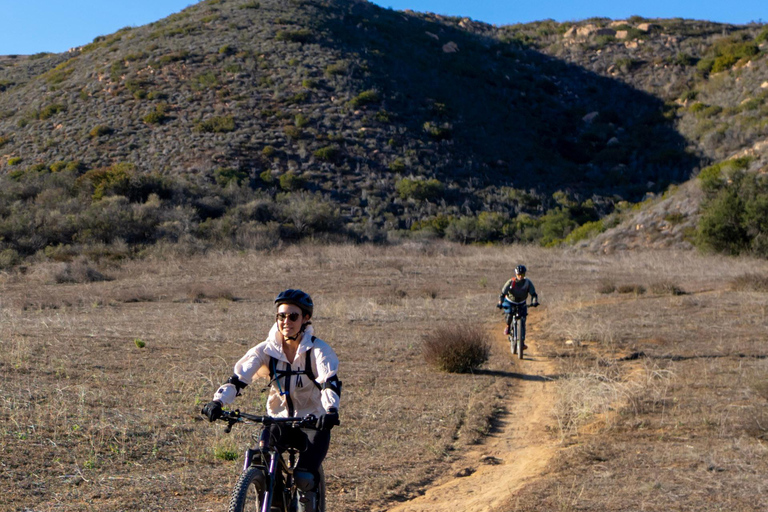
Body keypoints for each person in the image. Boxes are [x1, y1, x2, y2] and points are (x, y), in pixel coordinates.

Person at [202, 289, 341, 512]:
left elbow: (329, 382)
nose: (286, 321)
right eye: (281, 316)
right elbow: (239, 379)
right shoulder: (266, 350)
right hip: (279, 418)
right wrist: (218, 402)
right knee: (262, 460)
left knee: (305, 477)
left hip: (314, 421)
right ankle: (274, 505)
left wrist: (331, 410)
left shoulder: (318, 350)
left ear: (305, 319)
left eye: (293, 316)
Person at [497, 265, 539, 347]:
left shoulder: (527, 283)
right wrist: (500, 303)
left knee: (523, 321)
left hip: (521, 302)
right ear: (516, 275)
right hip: (510, 301)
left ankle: (522, 342)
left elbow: (533, 294)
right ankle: (508, 326)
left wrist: (534, 302)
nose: (520, 277)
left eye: (522, 275)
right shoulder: (511, 282)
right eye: (518, 275)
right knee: (509, 314)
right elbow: (502, 294)